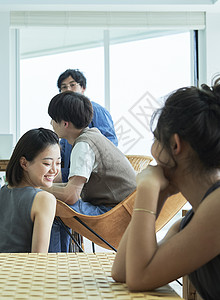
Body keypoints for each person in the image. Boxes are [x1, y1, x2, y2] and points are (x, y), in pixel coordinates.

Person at [111, 78, 220, 300]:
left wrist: (148, 188)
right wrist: (157, 196)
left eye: (155, 139)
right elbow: (122, 271)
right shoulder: (187, 224)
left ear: (175, 145)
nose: (152, 150)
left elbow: (138, 278)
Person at [45, 91, 136, 252]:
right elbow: (70, 188)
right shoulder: (93, 135)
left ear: (65, 123)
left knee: (50, 207)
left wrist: (36, 189)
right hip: (126, 209)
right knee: (49, 198)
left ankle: (53, 266)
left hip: (116, 214)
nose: (51, 123)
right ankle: (62, 263)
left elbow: (71, 195)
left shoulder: (83, 146)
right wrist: (43, 189)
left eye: (53, 119)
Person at [0, 128, 61, 253]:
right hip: (24, 272)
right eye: (47, 163)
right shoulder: (44, 199)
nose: (54, 170)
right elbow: (38, 259)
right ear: (24, 163)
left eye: (59, 163)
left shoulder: (3, 191)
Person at [57, 69, 118, 183]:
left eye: (72, 85)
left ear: (83, 88)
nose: (68, 89)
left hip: (91, 173)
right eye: (64, 87)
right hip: (70, 172)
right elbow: (63, 148)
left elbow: (110, 142)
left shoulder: (97, 110)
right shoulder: (65, 116)